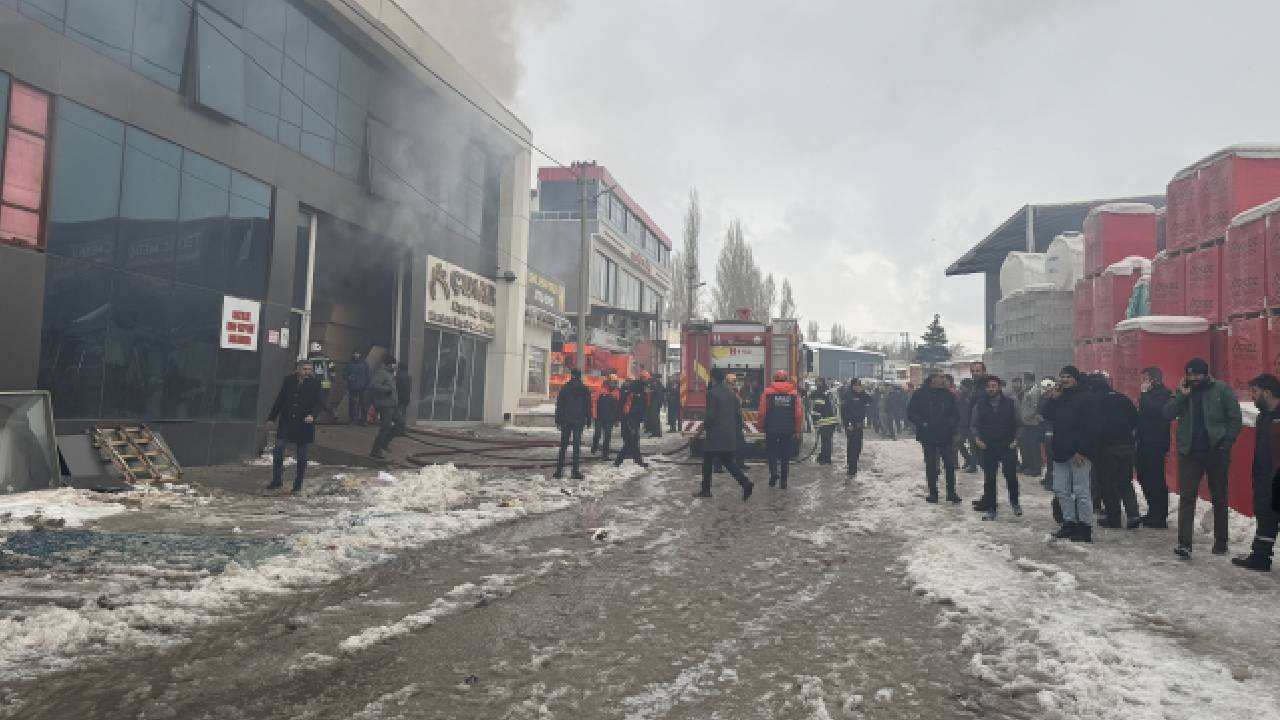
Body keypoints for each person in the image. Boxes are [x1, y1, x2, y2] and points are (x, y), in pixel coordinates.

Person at [1163, 357, 1242, 559]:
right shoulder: (1183, 391)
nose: (1193, 378)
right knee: (1187, 497)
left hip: (1216, 450)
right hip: (1190, 453)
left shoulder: (1221, 390)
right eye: (1189, 374)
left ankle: (1221, 542)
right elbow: (1167, 414)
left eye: (1197, 374)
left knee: (1219, 497)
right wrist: (1181, 395)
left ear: (1206, 374)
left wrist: (1226, 444)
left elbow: (1235, 417)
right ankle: (1184, 543)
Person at [1041, 366, 1099, 542]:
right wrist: (1053, 399)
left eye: (1068, 376)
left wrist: (1081, 450)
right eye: (1062, 376)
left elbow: (1092, 427)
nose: (1064, 380)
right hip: (1061, 452)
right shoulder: (1060, 397)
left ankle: (1085, 526)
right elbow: (1046, 415)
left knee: (1081, 491)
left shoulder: (1087, 397)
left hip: (1079, 454)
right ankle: (1069, 522)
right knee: (1061, 489)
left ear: (1075, 379)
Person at [1233, 374, 1280, 571]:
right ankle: (1260, 557)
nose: (1252, 396)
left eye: (1255, 392)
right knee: (1266, 517)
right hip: (1264, 478)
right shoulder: (1263, 416)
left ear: (1267, 393)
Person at [695, 368, 754, 501]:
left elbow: (710, 415)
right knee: (728, 462)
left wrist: (705, 427)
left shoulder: (712, 393)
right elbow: (738, 414)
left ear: (713, 378)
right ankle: (745, 483)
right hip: (729, 433)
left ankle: (706, 490)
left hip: (715, 435)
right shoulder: (731, 393)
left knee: (707, 463)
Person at [1091, 374, 1141, 529]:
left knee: (1109, 483)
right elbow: (1135, 419)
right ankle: (1133, 515)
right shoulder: (1122, 398)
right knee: (1125, 481)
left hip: (1107, 447)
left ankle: (1114, 518)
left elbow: (1093, 424)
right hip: (1127, 445)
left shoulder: (1095, 401)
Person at [267, 360, 322, 493]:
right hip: (287, 421)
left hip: (304, 423)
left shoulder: (315, 383)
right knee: (279, 449)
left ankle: (297, 484)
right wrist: (271, 417)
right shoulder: (289, 380)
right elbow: (281, 399)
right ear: (298, 369)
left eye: (309, 369)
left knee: (302, 455)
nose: (307, 372)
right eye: (305, 369)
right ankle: (276, 480)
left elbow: (318, 403)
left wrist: (312, 416)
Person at [970, 375, 1021, 520]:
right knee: (990, 479)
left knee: (1011, 475)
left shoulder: (1011, 403)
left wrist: (1016, 440)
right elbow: (973, 424)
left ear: (999, 387)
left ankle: (1015, 501)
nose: (991, 389)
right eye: (988, 387)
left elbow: (1019, 423)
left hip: (1007, 445)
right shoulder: (979, 405)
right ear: (985, 389)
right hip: (988, 446)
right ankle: (991, 508)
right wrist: (977, 438)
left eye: (994, 386)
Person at [907, 373, 961, 503]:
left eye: (943, 379)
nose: (943, 381)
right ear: (932, 380)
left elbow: (955, 414)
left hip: (945, 436)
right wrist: (922, 423)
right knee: (931, 466)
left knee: (949, 464)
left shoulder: (948, 395)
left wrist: (950, 425)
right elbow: (911, 412)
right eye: (940, 378)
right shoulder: (919, 394)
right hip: (928, 435)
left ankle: (951, 493)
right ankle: (933, 493)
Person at [1132, 367, 1173, 528]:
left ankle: (1160, 515)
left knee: (1156, 479)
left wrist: (1143, 394)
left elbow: (1153, 410)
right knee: (1143, 476)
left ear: (1153, 380)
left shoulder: (1164, 394)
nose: (1142, 383)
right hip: (1143, 440)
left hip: (1156, 442)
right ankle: (1152, 510)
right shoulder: (1147, 396)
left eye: (1145, 379)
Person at [759, 370, 804, 489]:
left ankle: (774, 473)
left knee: (771, 452)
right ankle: (784, 481)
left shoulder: (767, 393)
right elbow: (798, 414)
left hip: (771, 427)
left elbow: (762, 412)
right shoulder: (794, 394)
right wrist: (798, 429)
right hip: (788, 429)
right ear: (786, 379)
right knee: (785, 455)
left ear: (775, 379)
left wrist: (761, 426)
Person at [553, 368, 592, 479]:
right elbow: (588, 406)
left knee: (563, 446)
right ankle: (575, 471)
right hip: (578, 421)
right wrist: (588, 419)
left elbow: (559, 405)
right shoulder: (584, 389)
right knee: (576, 447)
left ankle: (559, 471)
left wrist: (558, 420)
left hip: (566, 420)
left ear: (572, 375)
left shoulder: (565, 388)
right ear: (580, 376)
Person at [368, 357, 400, 460]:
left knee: (401, 424)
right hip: (385, 405)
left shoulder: (390, 374)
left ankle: (384, 443)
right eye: (393, 364)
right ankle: (375, 450)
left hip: (393, 405)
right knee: (385, 427)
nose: (395, 366)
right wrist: (386, 390)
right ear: (388, 364)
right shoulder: (381, 373)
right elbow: (373, 385)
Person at [614, 376, 649, 468]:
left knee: (631, 442)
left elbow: (642, 408)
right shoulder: (634, 393)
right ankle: (637, 461)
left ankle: (619, 461)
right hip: (630, 419)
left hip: (633, 419)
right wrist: (627, 420)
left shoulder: (640, 393)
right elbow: (626, 407)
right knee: (633, 441)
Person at [840, 379, 871, 477]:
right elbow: (844, 411)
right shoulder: (847, 395)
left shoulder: (861, 395)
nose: (857, 387)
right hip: (851, 425)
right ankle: (852, 468)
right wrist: (848, 423)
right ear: (852, 386)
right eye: (856, 385)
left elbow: (870, 400)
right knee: (852, 446)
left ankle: (853, 464)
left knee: (858, 446)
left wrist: (862, 392)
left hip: (859, 424)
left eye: (859, 385)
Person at [1016, 373, 1044, 476]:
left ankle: (1035, 468)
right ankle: (1028, 465)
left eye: (1025, 380)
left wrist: (1028, 416)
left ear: (1029, 380)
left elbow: (1036, 407)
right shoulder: (1027, 391)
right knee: (1026, 446)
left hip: (1033, 424)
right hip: (1026, 424)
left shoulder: (1035, 391)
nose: (1024, 383)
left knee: (1033, 447)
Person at [810, 377, 839, 464]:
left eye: (817, 382)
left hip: (825, 420)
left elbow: (818, 408)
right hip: (831, 420)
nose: (815, 383)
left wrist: (815, 421)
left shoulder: (820, 393)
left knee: (826, 441)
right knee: (826, 440)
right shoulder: (828, 391)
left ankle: (826, 459)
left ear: (821, 382)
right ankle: (823, 456)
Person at [593, 378, 621, 460]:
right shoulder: (600, 390)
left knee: (607, 437)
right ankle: (595, 445)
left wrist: (617, 419)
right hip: (599, 417)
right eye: (611, 382)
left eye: (614, 383)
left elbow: (618, 407)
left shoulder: (616, 392)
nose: (613, 384)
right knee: (597, 434)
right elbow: (594, 402)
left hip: (610, 418)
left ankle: (605, 454)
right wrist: (594, 414)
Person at [343, 350, 369, 426]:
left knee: (363, 404)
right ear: (352, 354)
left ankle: (364, 421)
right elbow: (344, 374)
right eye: (354, 353)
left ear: (360, 354)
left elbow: (368, 375)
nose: (356, 355)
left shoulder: (364, 364)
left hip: (362, 387)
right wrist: (348, 377)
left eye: (357, 353)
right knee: (351, 404)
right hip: (352, 387)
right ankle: (351, 420)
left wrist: (366, 385)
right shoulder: (349, 364)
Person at [645, 372, 664, 437]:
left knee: (654, 418)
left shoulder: (655, 383)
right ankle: (656, 432)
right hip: (655, 403)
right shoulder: (658, 383)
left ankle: (656, 433)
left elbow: (657, 392)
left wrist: (649, 391)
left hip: (655, 403)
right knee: (655, 418)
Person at [394, 363, 411, 436]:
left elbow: (395, 388)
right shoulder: (409, 376)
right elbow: (409, 389)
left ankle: (398, 431)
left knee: (398, 415)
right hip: (406, 398)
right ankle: (403, 431)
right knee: (403, 415)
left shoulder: (398, 376)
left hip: (399, 398)